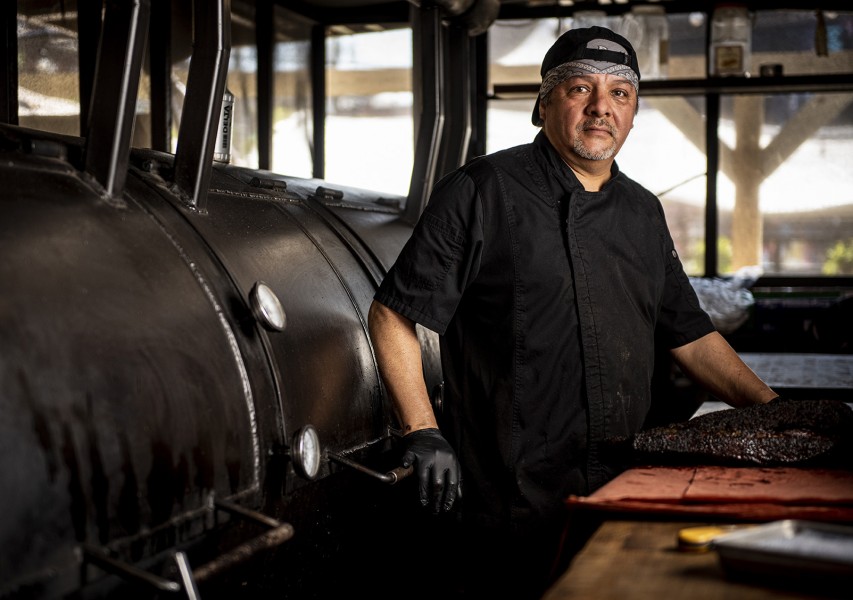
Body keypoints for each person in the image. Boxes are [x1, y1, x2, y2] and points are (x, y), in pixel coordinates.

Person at [367, 25, 777, 599]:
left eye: (620, 94)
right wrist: (422, 430)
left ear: (633, 113)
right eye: (580, 89)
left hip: (621, 485)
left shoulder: (642, 212)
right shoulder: (482, 190)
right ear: (543, 104)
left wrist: (775, 411)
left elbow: (690, 335)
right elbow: (392, 313)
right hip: (507, 498)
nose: (601, 108)